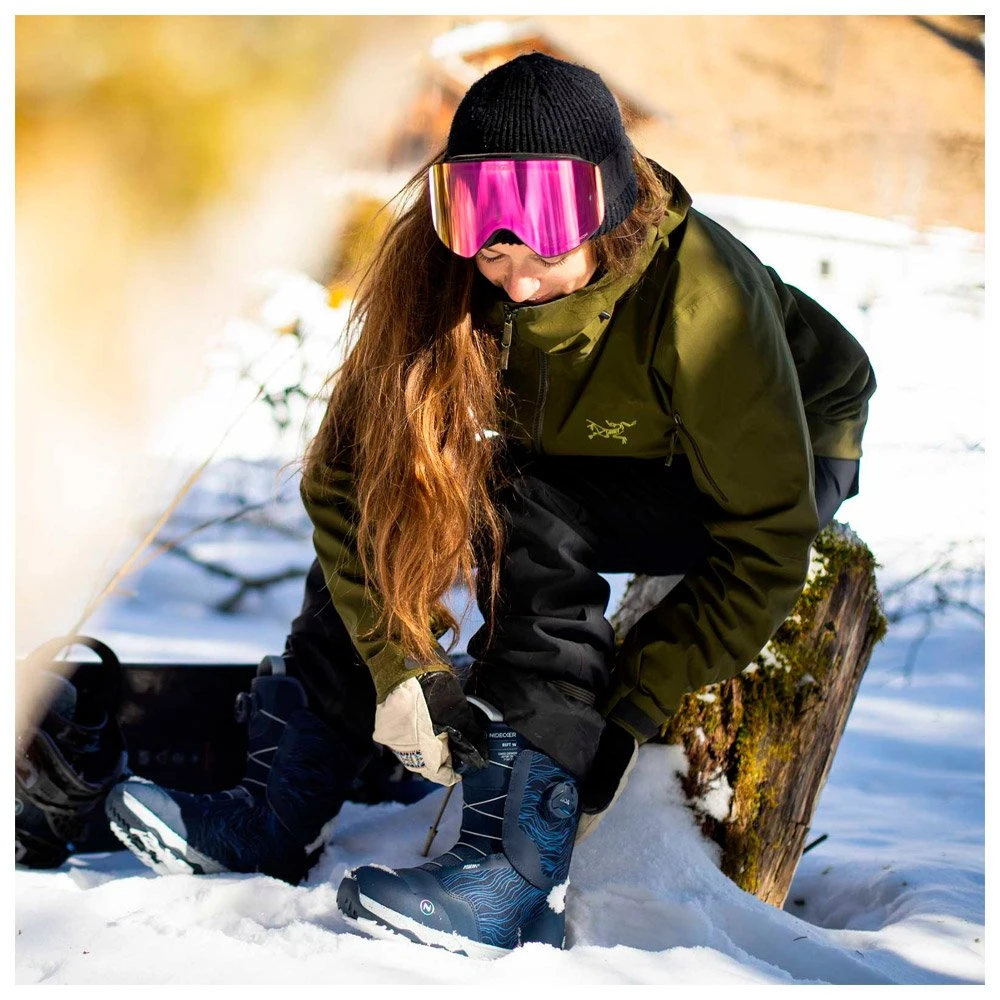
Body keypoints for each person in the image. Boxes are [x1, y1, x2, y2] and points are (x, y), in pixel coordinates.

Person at [106, 52, 875, 955]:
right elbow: (345, 480)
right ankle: (276, 813)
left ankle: (512, 868)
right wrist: (401, 667)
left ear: (612, 210)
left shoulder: (703, 303)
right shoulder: (441, 271)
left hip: (768, 455)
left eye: (544, 249)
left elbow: (765, 545)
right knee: (409, 493)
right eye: (492, 247)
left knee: (531, 509)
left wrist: (618, 713)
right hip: (581, 434)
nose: (514, 279)